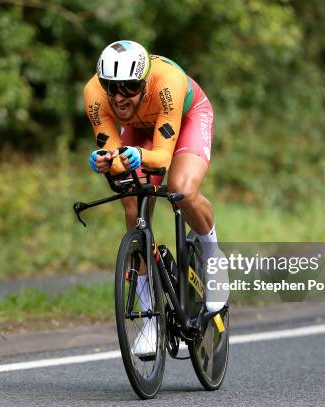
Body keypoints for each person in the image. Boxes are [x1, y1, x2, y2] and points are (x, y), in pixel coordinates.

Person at [83, 40, 228, 357]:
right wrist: (106, 160)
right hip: (138, 128)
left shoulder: (168, 83)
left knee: (183, 189)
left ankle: (212, 256)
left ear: (145, 82)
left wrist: (134, 154)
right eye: (112, 88)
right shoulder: (94, 95)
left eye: (129, 88)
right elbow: (113, 154)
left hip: (186, 118)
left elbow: (162, 158)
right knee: (131, 199)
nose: (120, 97)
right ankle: (150, 317)